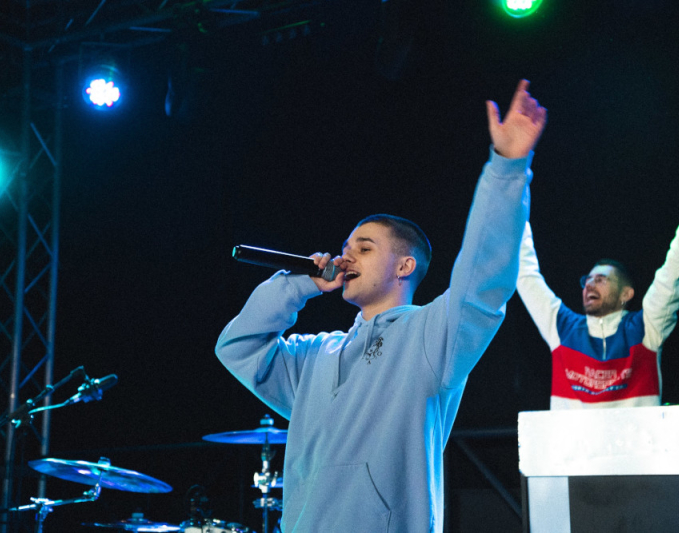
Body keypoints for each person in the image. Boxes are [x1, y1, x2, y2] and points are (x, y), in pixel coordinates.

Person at [215, 79, 547, 532]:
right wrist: (297, 286)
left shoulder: (430, 337)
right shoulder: (314, 355)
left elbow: (483, 279)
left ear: (404, 266)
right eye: (345, 248)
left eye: (365, 248)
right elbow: (237, 347)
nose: (346, 257)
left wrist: (507, 168)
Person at [516, 152, 679, 410]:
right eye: (588, 279)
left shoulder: (647, 329)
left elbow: (675, 268)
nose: (590, 284)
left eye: (601, 279)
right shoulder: (562, 328)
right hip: (572, 440)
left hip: (637, 438)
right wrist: (513, 193)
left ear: (626, 294)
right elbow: (525, 273)